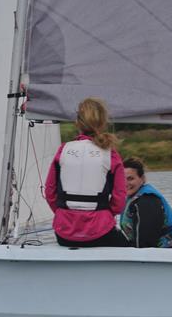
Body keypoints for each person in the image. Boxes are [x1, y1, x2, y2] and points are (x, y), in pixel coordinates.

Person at [45, 97, 127, 247]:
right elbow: (120, 198)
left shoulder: (63, 150)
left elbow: (50, 192)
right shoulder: (111, 154)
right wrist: (107, 215)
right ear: (103, 122)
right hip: (100, 231)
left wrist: (62, 213)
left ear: (78, 123)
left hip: (64, 233)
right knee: (128, 246)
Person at [120, 157, 172, 248]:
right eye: (122, 179)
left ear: (142, 178)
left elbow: (146, 239)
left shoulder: (147, 199)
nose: (125, 183)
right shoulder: (132, 197)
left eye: (130, 178)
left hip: (170, 250)